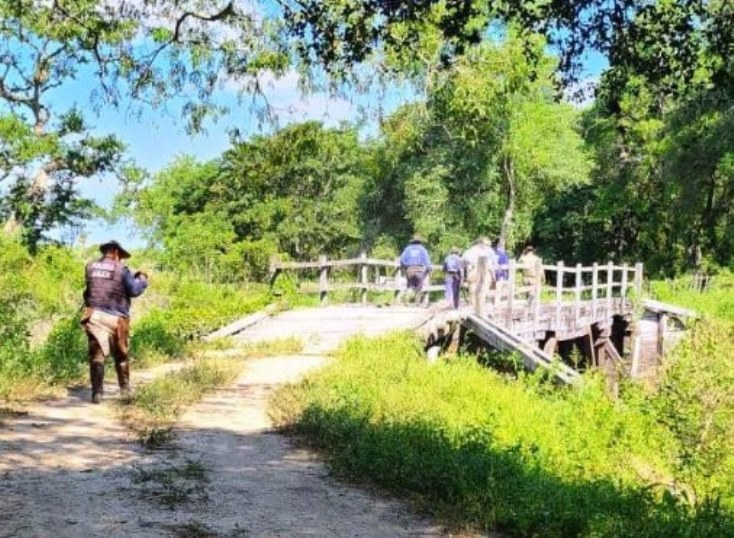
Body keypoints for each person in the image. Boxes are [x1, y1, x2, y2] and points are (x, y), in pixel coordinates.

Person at [81, 240, 148, 403]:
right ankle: (125, 392)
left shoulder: (90, 267)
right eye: (121, 256)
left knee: (97, 355)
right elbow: (134, 290)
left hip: (94, 316)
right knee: (121, 355)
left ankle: (97, 394)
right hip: (117, 319)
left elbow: (88, 290)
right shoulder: (122, 269)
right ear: (117, 253)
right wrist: (142, 280)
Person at [462, 237, 497, 313]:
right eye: (487, 244)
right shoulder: (488, 251)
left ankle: (475, 309)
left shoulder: (469, 251)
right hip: (484, 272)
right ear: (481, 243)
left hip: (473, 271)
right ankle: (480, 310)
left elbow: (463, 261)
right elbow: (493, 263)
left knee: (473, 291)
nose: (488, 246)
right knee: (482, 291)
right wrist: (493, 275)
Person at [399, 235, 432, 304]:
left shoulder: (408, 249)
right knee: (419, 286)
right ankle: (417, 303)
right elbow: (427, 261)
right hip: (419, 270)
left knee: (409, 285)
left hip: (409, 269)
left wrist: (404, 267)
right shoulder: (422, 249)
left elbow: (402, 259)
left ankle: (406, 300)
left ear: (412, 241)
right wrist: (429, 269)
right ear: (420, 242)